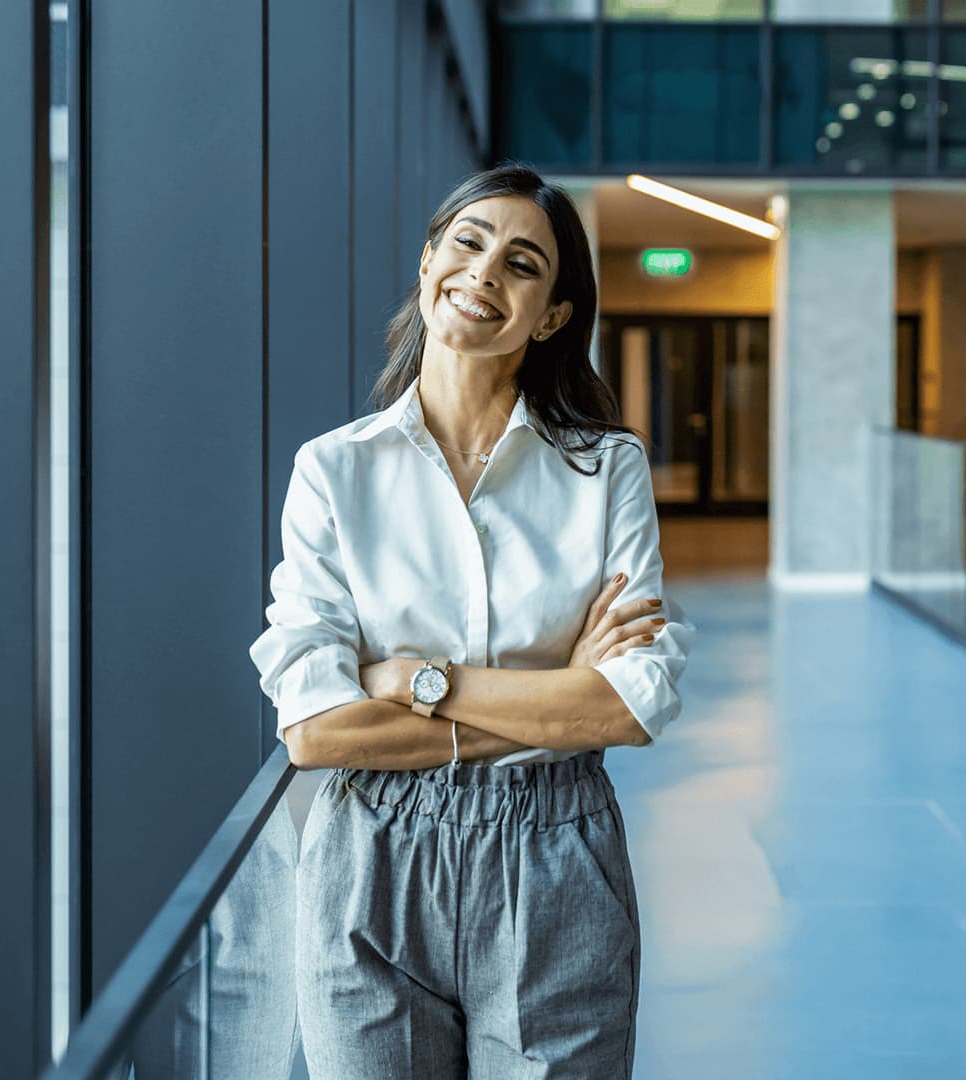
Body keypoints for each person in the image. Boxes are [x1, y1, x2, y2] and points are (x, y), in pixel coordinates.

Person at [248, 162, 695, 1079]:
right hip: (368, 866)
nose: (486, 272)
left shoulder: (605, 470)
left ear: (554, 314)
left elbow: (631, 705)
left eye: (523, 263)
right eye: (469, 241)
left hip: (556, 857)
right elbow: (314, 729)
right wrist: (555, 696)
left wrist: (420, 683)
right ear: (427, 266)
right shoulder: (333, 472)